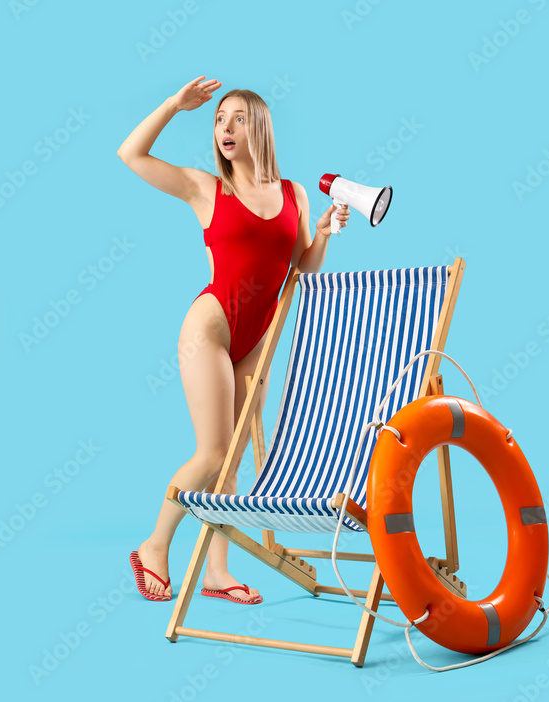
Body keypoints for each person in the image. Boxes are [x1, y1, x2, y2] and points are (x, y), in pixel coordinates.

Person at [117, 76, 349, 603]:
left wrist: (329, 233)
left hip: (258, 338)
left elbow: (302, 268)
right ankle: (155, 545)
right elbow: (131, 153)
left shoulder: (294, 194)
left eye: (237, 118)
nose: (224, 126)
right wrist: (176, 104)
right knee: (213, 450)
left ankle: (216, 573)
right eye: (219, 119)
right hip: (212, 327)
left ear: (260, 128)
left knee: (234, 458)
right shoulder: (206, 188)